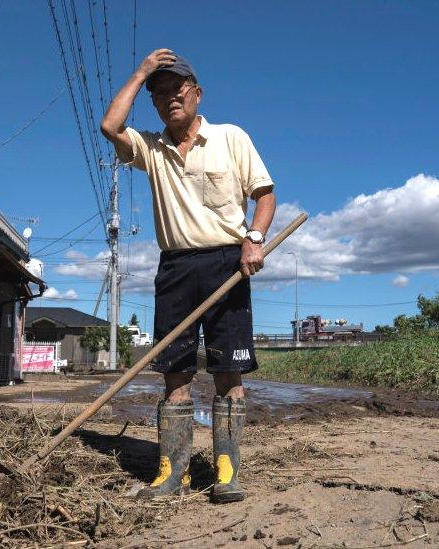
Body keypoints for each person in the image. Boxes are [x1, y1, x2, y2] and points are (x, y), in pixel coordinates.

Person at [100, 49, 276, 503]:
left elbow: (265, 195)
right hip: (176, 267)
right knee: (174, 372)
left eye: (177, 90)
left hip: (227, 263)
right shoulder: (151, 150)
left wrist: (253, 239)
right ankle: (172, 470)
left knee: (229, 370)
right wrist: (139, 72)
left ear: (196, 93)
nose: (170, 99)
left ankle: (226, 471)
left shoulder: (230, 137)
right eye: (160, 94)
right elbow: (110, 128)